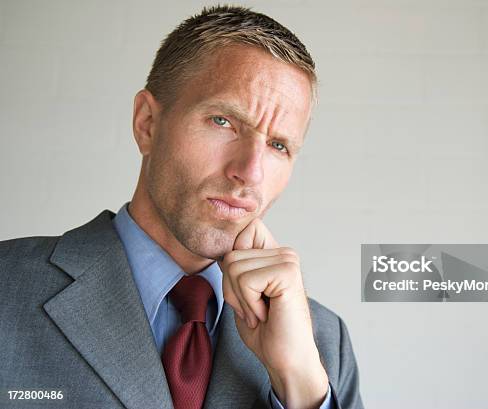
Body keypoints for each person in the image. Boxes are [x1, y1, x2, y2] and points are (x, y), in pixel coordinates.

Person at [0, 5, 364, 409]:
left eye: (279, 145)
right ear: (147, 124)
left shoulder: (324, 343)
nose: (250, 172)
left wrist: (298, 381)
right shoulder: (6, 285)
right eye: (223, 121)